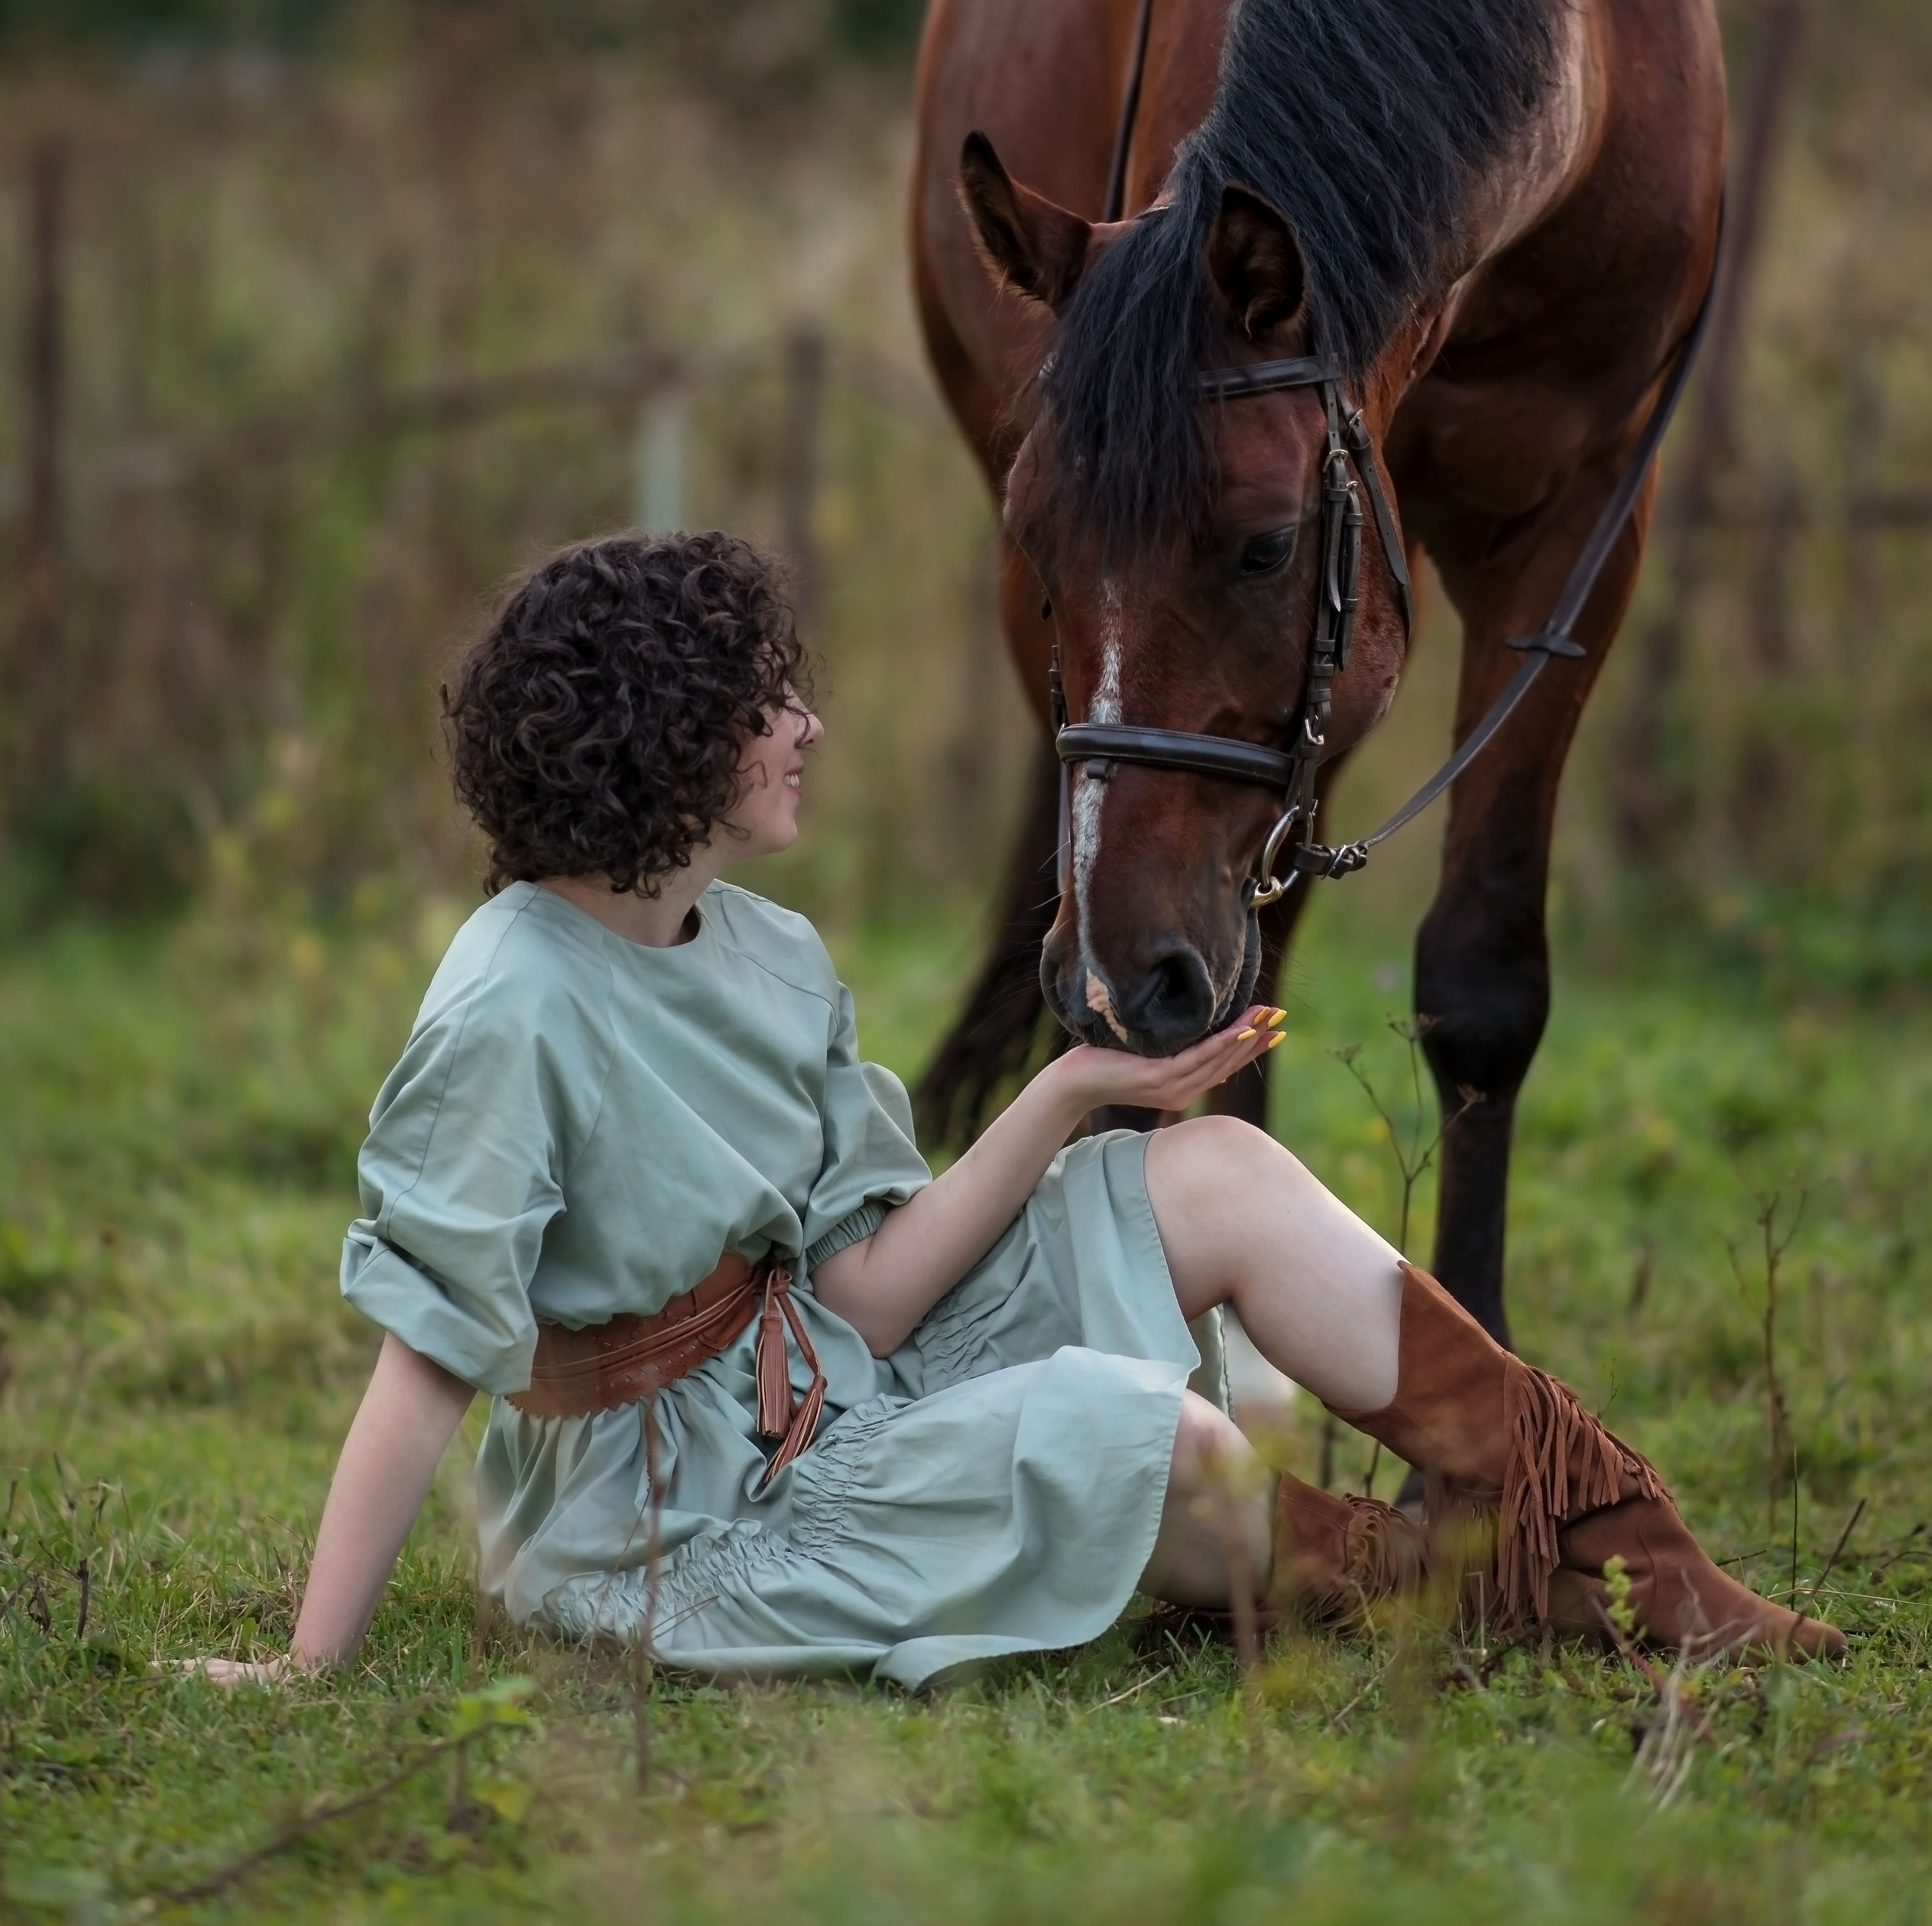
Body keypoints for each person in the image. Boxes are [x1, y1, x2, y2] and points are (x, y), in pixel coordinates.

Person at [285, 530, 1843, 1686]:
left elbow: (865, 1296)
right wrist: (307, 1667)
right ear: (667, 731)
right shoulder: (510, 1005)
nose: (809, 727)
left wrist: (1070, 1094)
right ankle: (1515, 1591)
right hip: (674, 1525)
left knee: (1214, 1167)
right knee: (1154, 1441)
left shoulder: (765, 952)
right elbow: (427, 1364)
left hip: (840, 1383)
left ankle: (1628, 1545)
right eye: (769, 702)